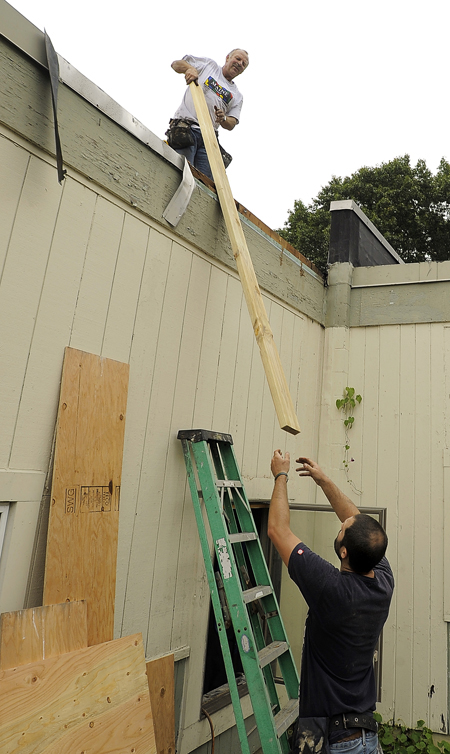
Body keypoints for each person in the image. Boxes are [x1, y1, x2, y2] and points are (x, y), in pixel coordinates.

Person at [268, 451, 394, 754]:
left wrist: (280, 475)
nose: (341, 527)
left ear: (344, 552)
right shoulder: (383, 581)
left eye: (341, 531)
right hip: (365, 737)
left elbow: (277, 531)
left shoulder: (331, 589)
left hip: (337, 742)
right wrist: (323, 480)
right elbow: (358, 523)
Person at [168, 49, 249, 180]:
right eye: (238, 59)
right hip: (188, 128)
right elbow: (176, 64)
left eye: (243, 64)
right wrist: (190, 69)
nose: (240, 63)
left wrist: (223, 118)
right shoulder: (209, 66)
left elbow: (231, 123)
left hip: (209, 139)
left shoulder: (237, 96)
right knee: (180, 173)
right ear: (228, 57)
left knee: (204, 183)